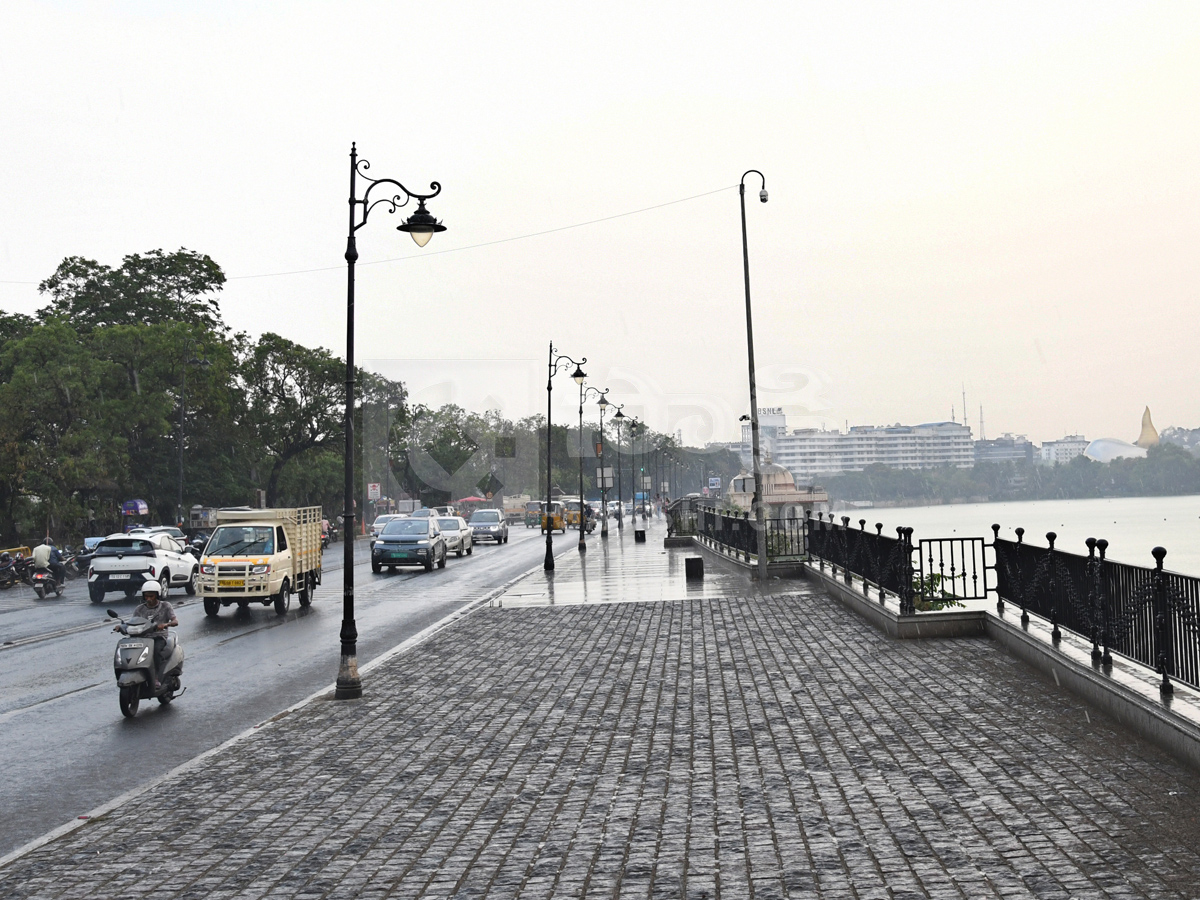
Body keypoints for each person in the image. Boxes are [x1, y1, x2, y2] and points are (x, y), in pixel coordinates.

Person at [130, 579, 179, 689]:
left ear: (157, 595)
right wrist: (121, 626)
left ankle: (156, 676)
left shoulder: (165, 606)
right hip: (143, 638)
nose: (149, 599)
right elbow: (132, 622)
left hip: (159, 637)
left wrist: (165, 624)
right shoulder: (140, 609)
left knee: (155, 650)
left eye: (151, 596)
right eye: (146, 596)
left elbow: (175, 621)